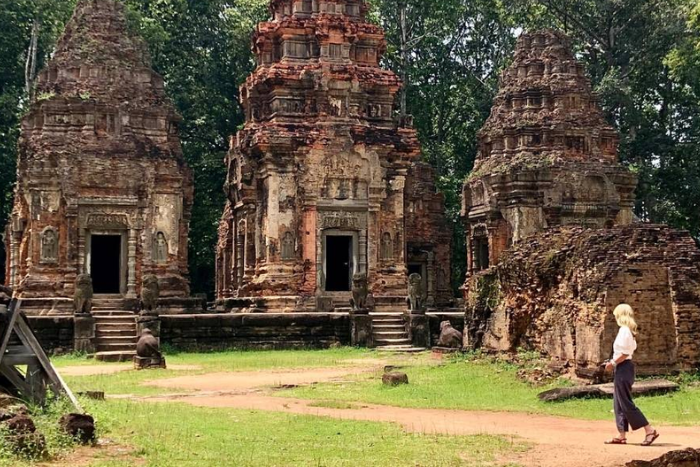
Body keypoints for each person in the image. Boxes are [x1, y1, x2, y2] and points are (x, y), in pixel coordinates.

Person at [604, 304, 659, 446]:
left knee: (625, 402)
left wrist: (612, 363)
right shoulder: (627, 331)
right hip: (624, 367)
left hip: (623, 367)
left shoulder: (624, 331)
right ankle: (621, 434)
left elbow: (624, 353)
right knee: (618, 402)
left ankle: (649, 430)